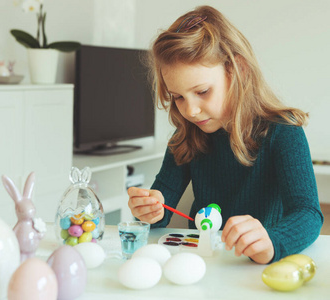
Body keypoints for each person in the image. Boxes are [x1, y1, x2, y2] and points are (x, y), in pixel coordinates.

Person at [127, 5, 323, 264]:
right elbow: (162, 207)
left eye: (202, 91)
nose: (191, 111)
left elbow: (308, 213)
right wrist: (150, 210)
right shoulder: (186, 135)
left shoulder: (283, 131)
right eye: (178, 98)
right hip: (202, 261)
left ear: (237, 70)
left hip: (254, 268)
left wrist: (272, 241)